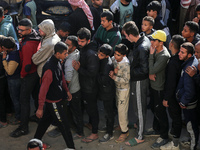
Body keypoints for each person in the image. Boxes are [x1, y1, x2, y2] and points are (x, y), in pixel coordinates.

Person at [34, 41, 75, 150]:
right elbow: (43, 89)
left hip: (56, 99)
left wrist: (66, 90)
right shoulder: (49, 68)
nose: (66, 55)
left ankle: (34, 144)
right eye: (65, 53)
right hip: (53, 103)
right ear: (57, 54)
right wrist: (40, 108)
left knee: (44, 123)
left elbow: (61, 76)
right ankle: (71, 147)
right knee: (64, 126)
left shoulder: (58, 61)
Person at [10, 18, 41, 138]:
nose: (19, 32)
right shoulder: (35, 36)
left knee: (24, 101)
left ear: (29, 30)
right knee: (35, 96)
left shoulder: (28, 44)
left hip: (29, 74)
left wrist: (22, 75)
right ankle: (38, 117)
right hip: (36, 73)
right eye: (18, 29)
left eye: (22, 30)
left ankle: (23, 127)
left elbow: (27, 65)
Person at [122, 21, 151, 146]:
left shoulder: (141, 47)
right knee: (138, 106)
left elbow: (144, 70)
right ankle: (138, 125)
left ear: (130, 35)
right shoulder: (142, 40)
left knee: (139, 107)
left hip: (140, 81)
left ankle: (140, 135)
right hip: (137, 79)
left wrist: (129, 72)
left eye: (125, 35)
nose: (125, 37)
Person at [72, 27, 99, 143]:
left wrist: (79, 69)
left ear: (88, 40)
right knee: (88, 108)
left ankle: (95, 133)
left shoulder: (91, 53)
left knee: (92, 109)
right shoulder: (84, 49)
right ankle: (91, 124)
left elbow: (92, 73)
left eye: (82, 41)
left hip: (90, 87)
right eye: (79, 41)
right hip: (85, 85)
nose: (80, 43)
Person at [160, 35, 185, 150]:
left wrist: (166, 98)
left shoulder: (173, 62)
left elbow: (170, 83)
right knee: (176, 117)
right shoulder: (178, 59)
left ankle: (175, 143)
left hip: (173, 96)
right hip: (178, 94)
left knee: (176, 118)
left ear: (171, 44)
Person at [148, 30, 171, 149]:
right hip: (153, 86)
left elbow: (151, 70)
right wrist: (150, 73)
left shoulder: (164, 55)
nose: (151, 42)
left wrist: (151, 56)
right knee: (154, 108)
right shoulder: (156, 50)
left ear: (161, 43)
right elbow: (151, 71)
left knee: (160, 112)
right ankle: (156, 129)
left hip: (159, 88)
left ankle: (164, 136)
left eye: (154, 40)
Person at [176, 42, 199, 150]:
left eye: (182, 52)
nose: (179, 54)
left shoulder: (189, 68)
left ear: (189, 55)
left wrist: (183, 101)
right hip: (188, 102)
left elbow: (189, 91)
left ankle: (193, 146)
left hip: (189, 104)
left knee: (191, 126)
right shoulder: (189, 62)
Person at [109, 44, 130, 143]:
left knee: (122, 110)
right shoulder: (114, 59)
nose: (115, 57)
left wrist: (114, 76)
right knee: (119, 108)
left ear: (124, 55)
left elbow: (126, 80)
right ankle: (122, 125)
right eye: (115, 54)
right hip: (117, 89)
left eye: (118, 55)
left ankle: (125, 131)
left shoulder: (126, 65)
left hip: (123, 90)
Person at [64, 35, 84, 138]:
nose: (65, 45)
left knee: (76, 112)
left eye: (68, 45)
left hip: (73, 90)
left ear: (74, 47)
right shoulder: (76, 54)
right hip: (77, 88)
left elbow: (68, 79)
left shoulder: (69, 62)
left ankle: (80, 132)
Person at [97, 44, 115, 143]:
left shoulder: (107, 65)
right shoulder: (103, 61)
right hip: (105, 91)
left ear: (107, 56)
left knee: (109, 112)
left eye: (101, 55)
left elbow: (103, 80)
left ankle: (109, 132)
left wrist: (95, 74)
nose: (99, 55)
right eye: (99, 53)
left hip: (107, 92)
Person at [2, 37, 21, 125]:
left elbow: (9, 72)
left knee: (15, 99)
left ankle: (19, 118)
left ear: (9, 48)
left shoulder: (14, 56)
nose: (3, 49)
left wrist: (4, 60)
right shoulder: (15, 46)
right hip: (15, 78)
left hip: (14, 80)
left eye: (4, 48)